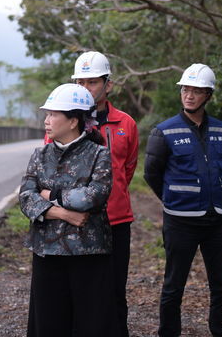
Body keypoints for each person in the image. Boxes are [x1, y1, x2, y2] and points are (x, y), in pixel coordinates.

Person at [20, 83, 118, 337]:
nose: (47, 120)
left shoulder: (99, 154)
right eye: (47, 114)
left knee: (91, 322)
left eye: (53, 114)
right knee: (49, 323)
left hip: (88, 251)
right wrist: (65, 213)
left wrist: (51, 196)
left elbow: (93, 196)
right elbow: (25, 198)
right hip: (47, 252)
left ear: (74, 121)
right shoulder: (39, 155)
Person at [144, 64, 222, 337]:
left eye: (196, 91)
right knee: (174, 285)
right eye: (186, 89)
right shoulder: (164, 131)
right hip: (180, 222)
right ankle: (168, 333)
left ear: (208, 94)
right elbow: (152, 174)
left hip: (218, 220)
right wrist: (173, 199)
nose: (189, 95)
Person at [70, 51, 139, 336]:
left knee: (114, 289)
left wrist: (113, 195)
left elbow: (128, 168)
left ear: (108, 85)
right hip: (76, 220)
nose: (87, 88)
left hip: (116, 220)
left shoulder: (126, 124)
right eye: (81, 82)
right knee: (78, 289)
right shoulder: (66, 121)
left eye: (93, 82)